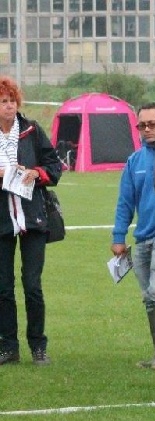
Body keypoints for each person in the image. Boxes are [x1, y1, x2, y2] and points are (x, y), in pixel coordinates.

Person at [0, 76, 62, 366]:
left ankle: (39, 346)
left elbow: (54, 165)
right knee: (3, 287)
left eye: (12, 101)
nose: (9, 106)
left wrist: (37, 173)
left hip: (33, 218)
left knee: (32, 285)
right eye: (3, 102)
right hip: (2, 221)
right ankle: (8, 347)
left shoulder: (32, 130)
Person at [111, 102, 155, 370]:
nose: (146, 130)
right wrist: (118, 236)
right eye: (142, 125)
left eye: (152, 124)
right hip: (142, 238)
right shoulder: (134, 161)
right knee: (149, 297)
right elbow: (125, 202)